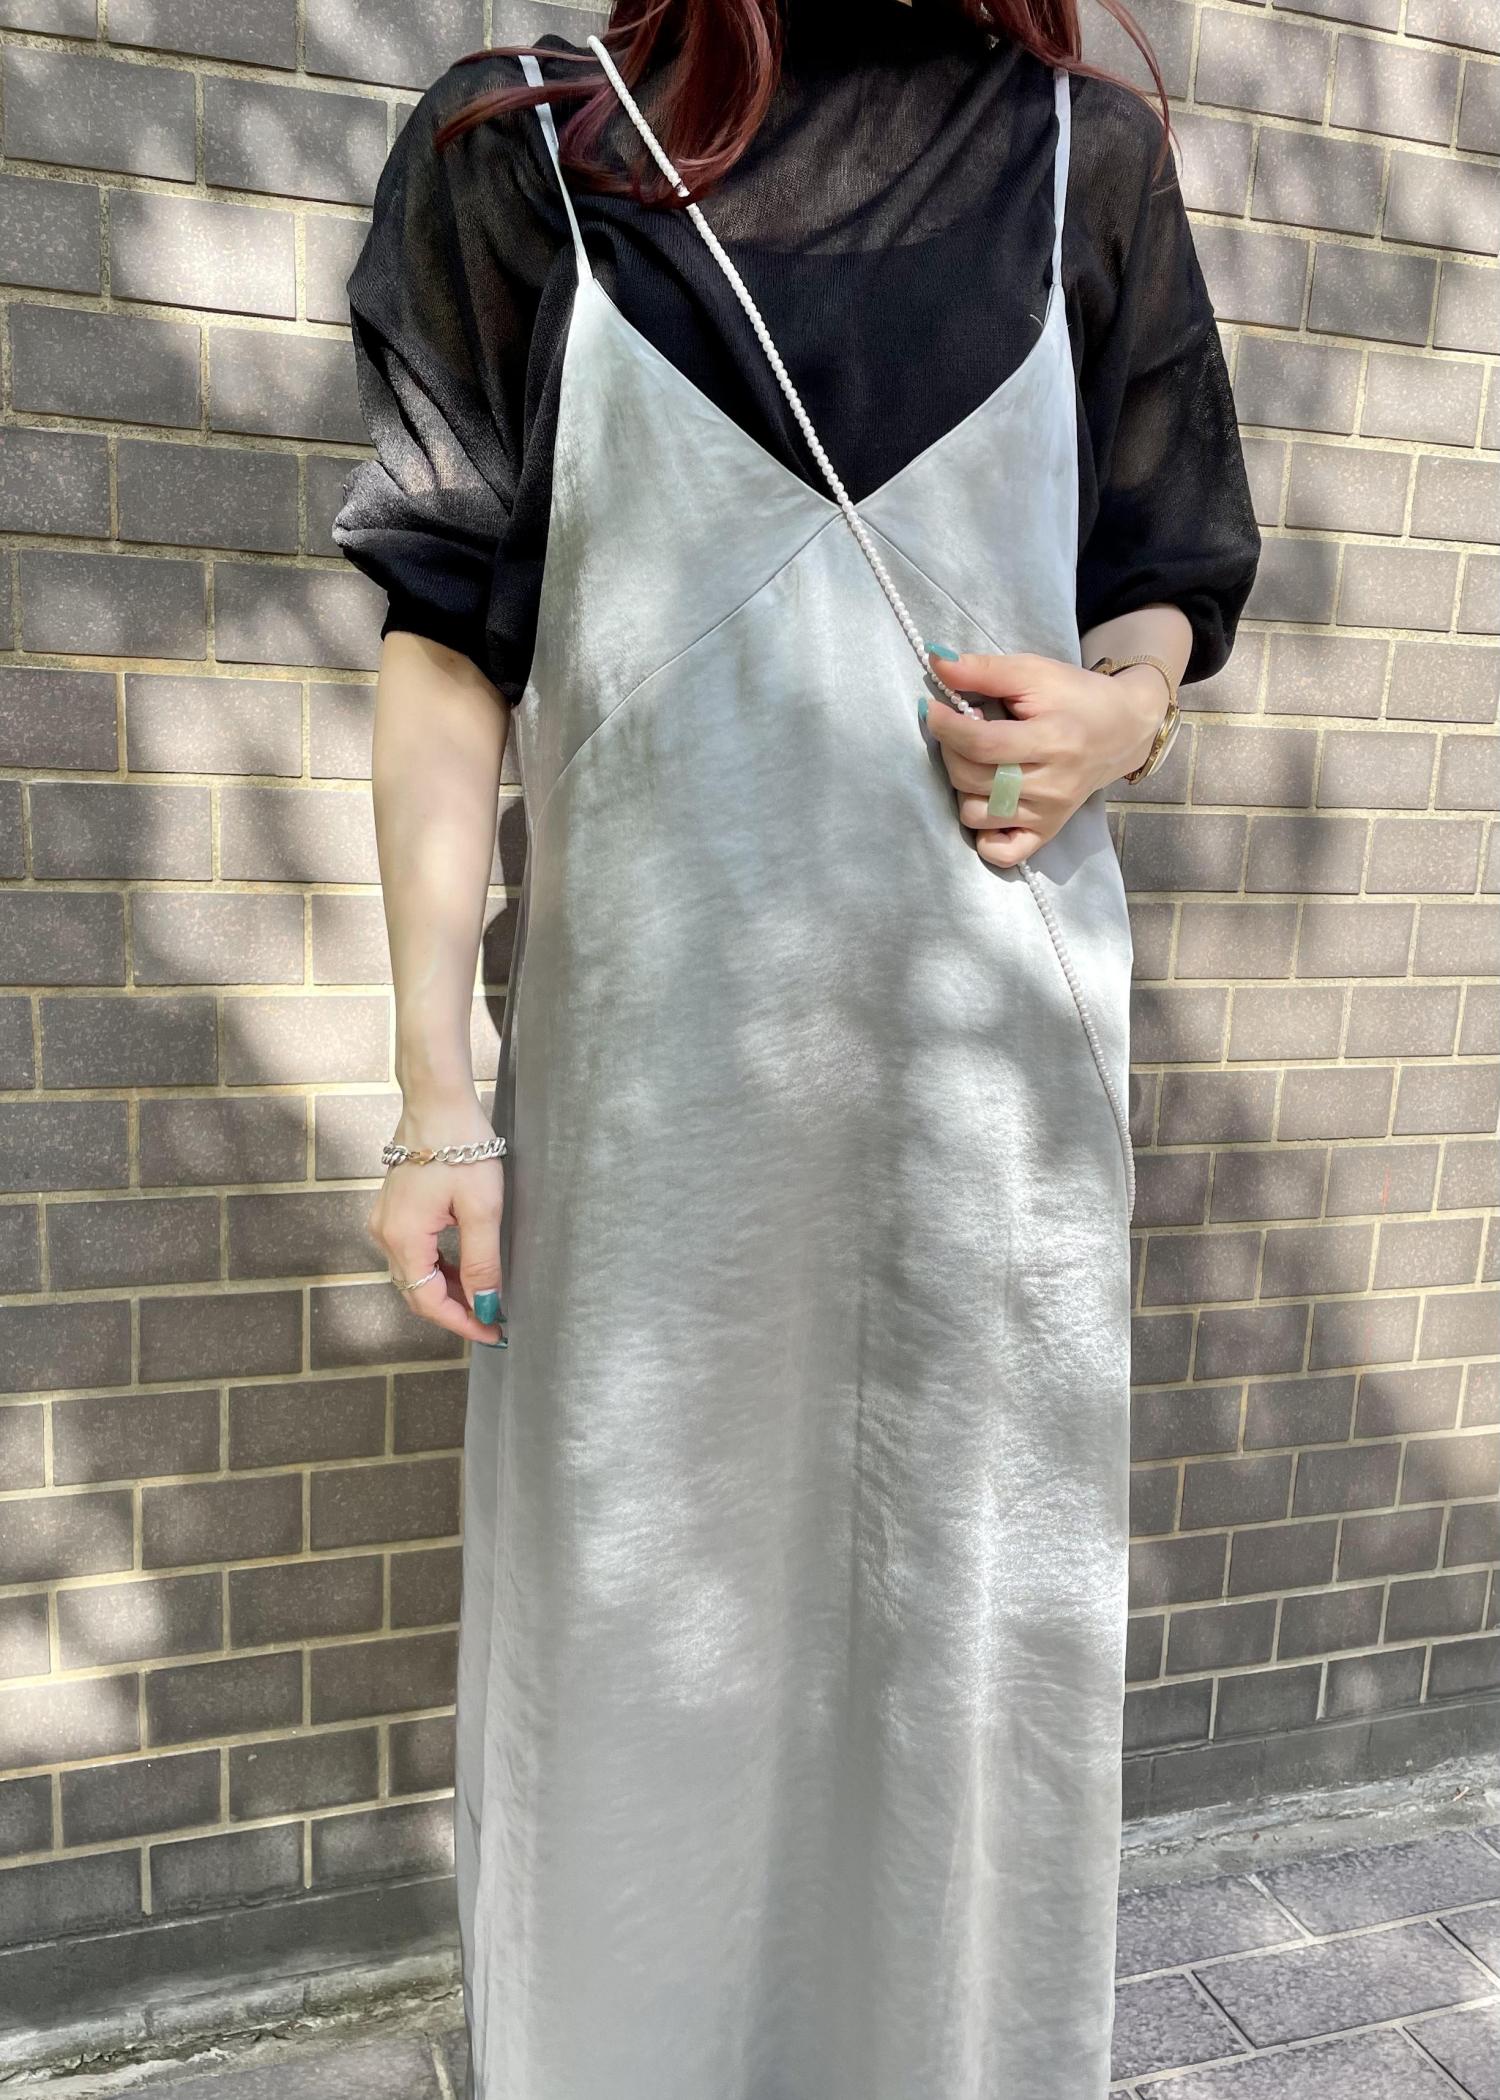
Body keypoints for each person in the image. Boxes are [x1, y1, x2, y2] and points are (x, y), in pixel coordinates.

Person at [333, 2, 1260, 2093]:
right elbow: (443, 639)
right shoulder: (530, 153)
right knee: (633, 1653)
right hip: (658, 1094)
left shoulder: (1082, 163)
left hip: (991, 1102)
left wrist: (1124, 713)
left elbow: (1162, 580)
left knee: (965, 1650)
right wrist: (434, 1104)